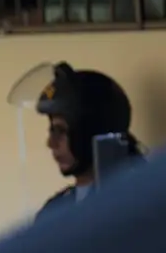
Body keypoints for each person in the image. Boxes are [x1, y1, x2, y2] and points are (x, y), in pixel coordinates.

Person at [34, 62, 145, 221]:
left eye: (61, 131)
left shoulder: (136, 203)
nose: (51, 143)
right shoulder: (54, 210)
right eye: (52, 130)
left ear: (93, 130)